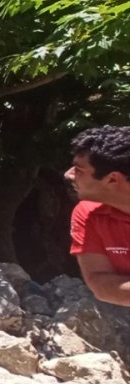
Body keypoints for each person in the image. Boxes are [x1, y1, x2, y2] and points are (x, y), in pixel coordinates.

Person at [65, 125, 130, 306]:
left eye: (79, 169)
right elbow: (100, 283)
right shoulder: (87, 213)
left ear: (112, 179)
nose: (69, 175)